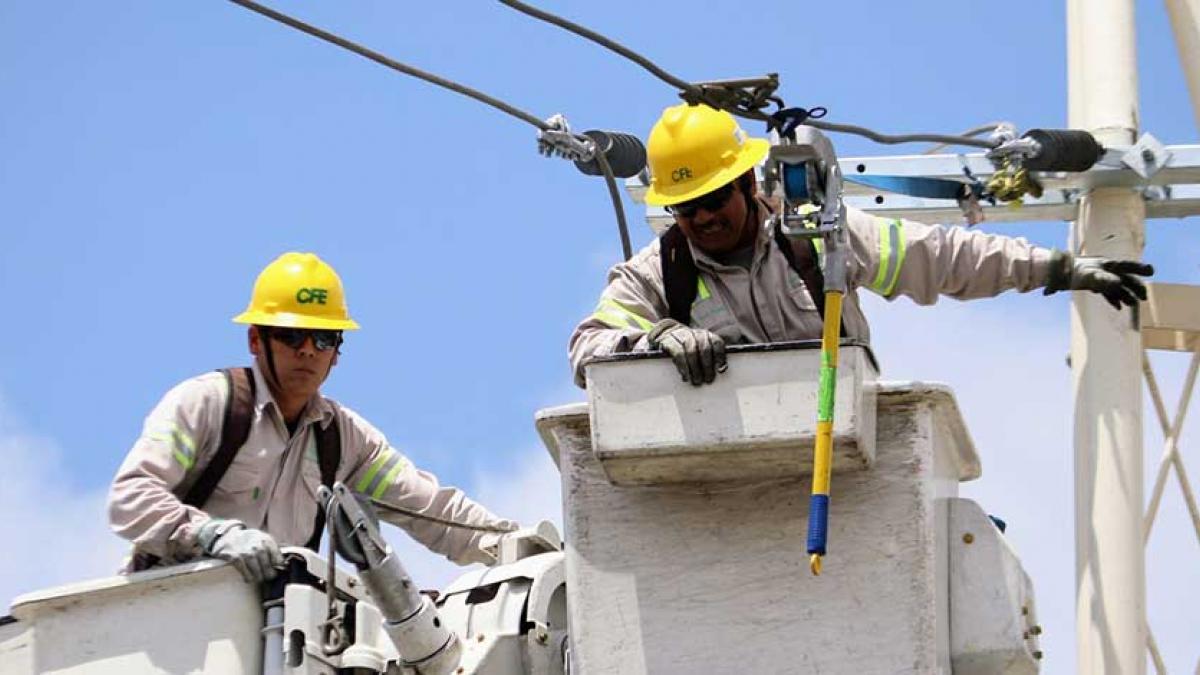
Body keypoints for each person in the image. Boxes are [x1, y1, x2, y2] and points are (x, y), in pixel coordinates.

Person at [569, 103, 1153, 386]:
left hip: (837, 443)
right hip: (727, 469)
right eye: (686, 207)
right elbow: (587, 350)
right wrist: (655, 336)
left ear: (748, 183)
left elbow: (943, 258)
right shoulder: (657, 273)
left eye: (714, 199)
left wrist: (1059, 268)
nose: (702, 218)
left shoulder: (819, 240)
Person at [109, 252, 517, 582]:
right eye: (291, 335)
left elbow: (431, 510)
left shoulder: (342, 441)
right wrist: (211, 534)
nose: (308, 350)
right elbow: (131, 498)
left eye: (322, 339)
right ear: (256, 339)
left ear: (337, 351)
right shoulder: (208, 404)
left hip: (265, 642)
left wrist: (512, 546)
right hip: (171, 618)